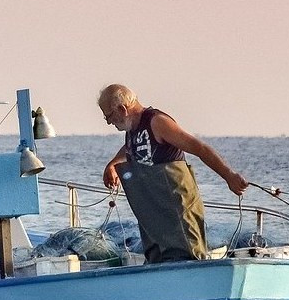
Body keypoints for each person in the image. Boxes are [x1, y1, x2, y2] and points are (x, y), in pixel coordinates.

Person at [97, 84, 248, 264]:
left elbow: (199, 148)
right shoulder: (132, 130)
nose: (108, 122)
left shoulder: (158, 122)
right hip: (153, 212)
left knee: (186, 254)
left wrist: (229, 176)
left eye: (109, 116)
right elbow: (131, 147)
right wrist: (113, 164)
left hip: (177, 208)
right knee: (157, 257)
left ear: (122, 109)